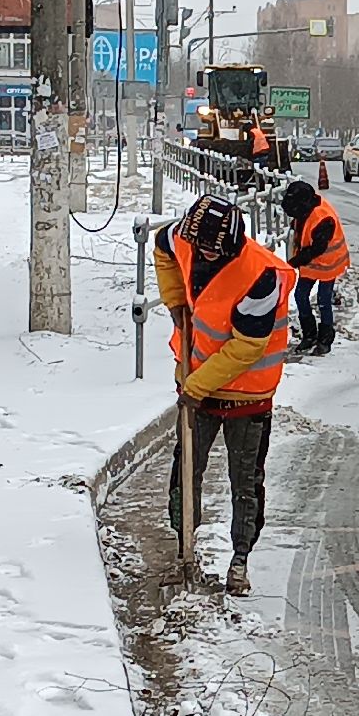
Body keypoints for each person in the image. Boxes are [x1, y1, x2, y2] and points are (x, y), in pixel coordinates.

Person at [153, 194, 296, 596]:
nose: (202, 254)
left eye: (213, 251)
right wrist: (176, 301)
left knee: (245, 480)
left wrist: (195, 388)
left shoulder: (260, 274)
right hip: (197, 381)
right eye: (200, 248)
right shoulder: (183, 237)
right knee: (186, 471)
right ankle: (184, 549)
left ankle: (240, 558)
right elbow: (162, 247)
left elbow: (246, 346)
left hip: (247, 393)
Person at [281, 181, 349, 357]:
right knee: (300, 296)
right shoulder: (303, 210)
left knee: (323, 301)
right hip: (311, 265)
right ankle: (309, 335)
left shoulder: (323, 218)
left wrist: (294, 262)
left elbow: (317, 248)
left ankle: (325, 339)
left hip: (329, 263)